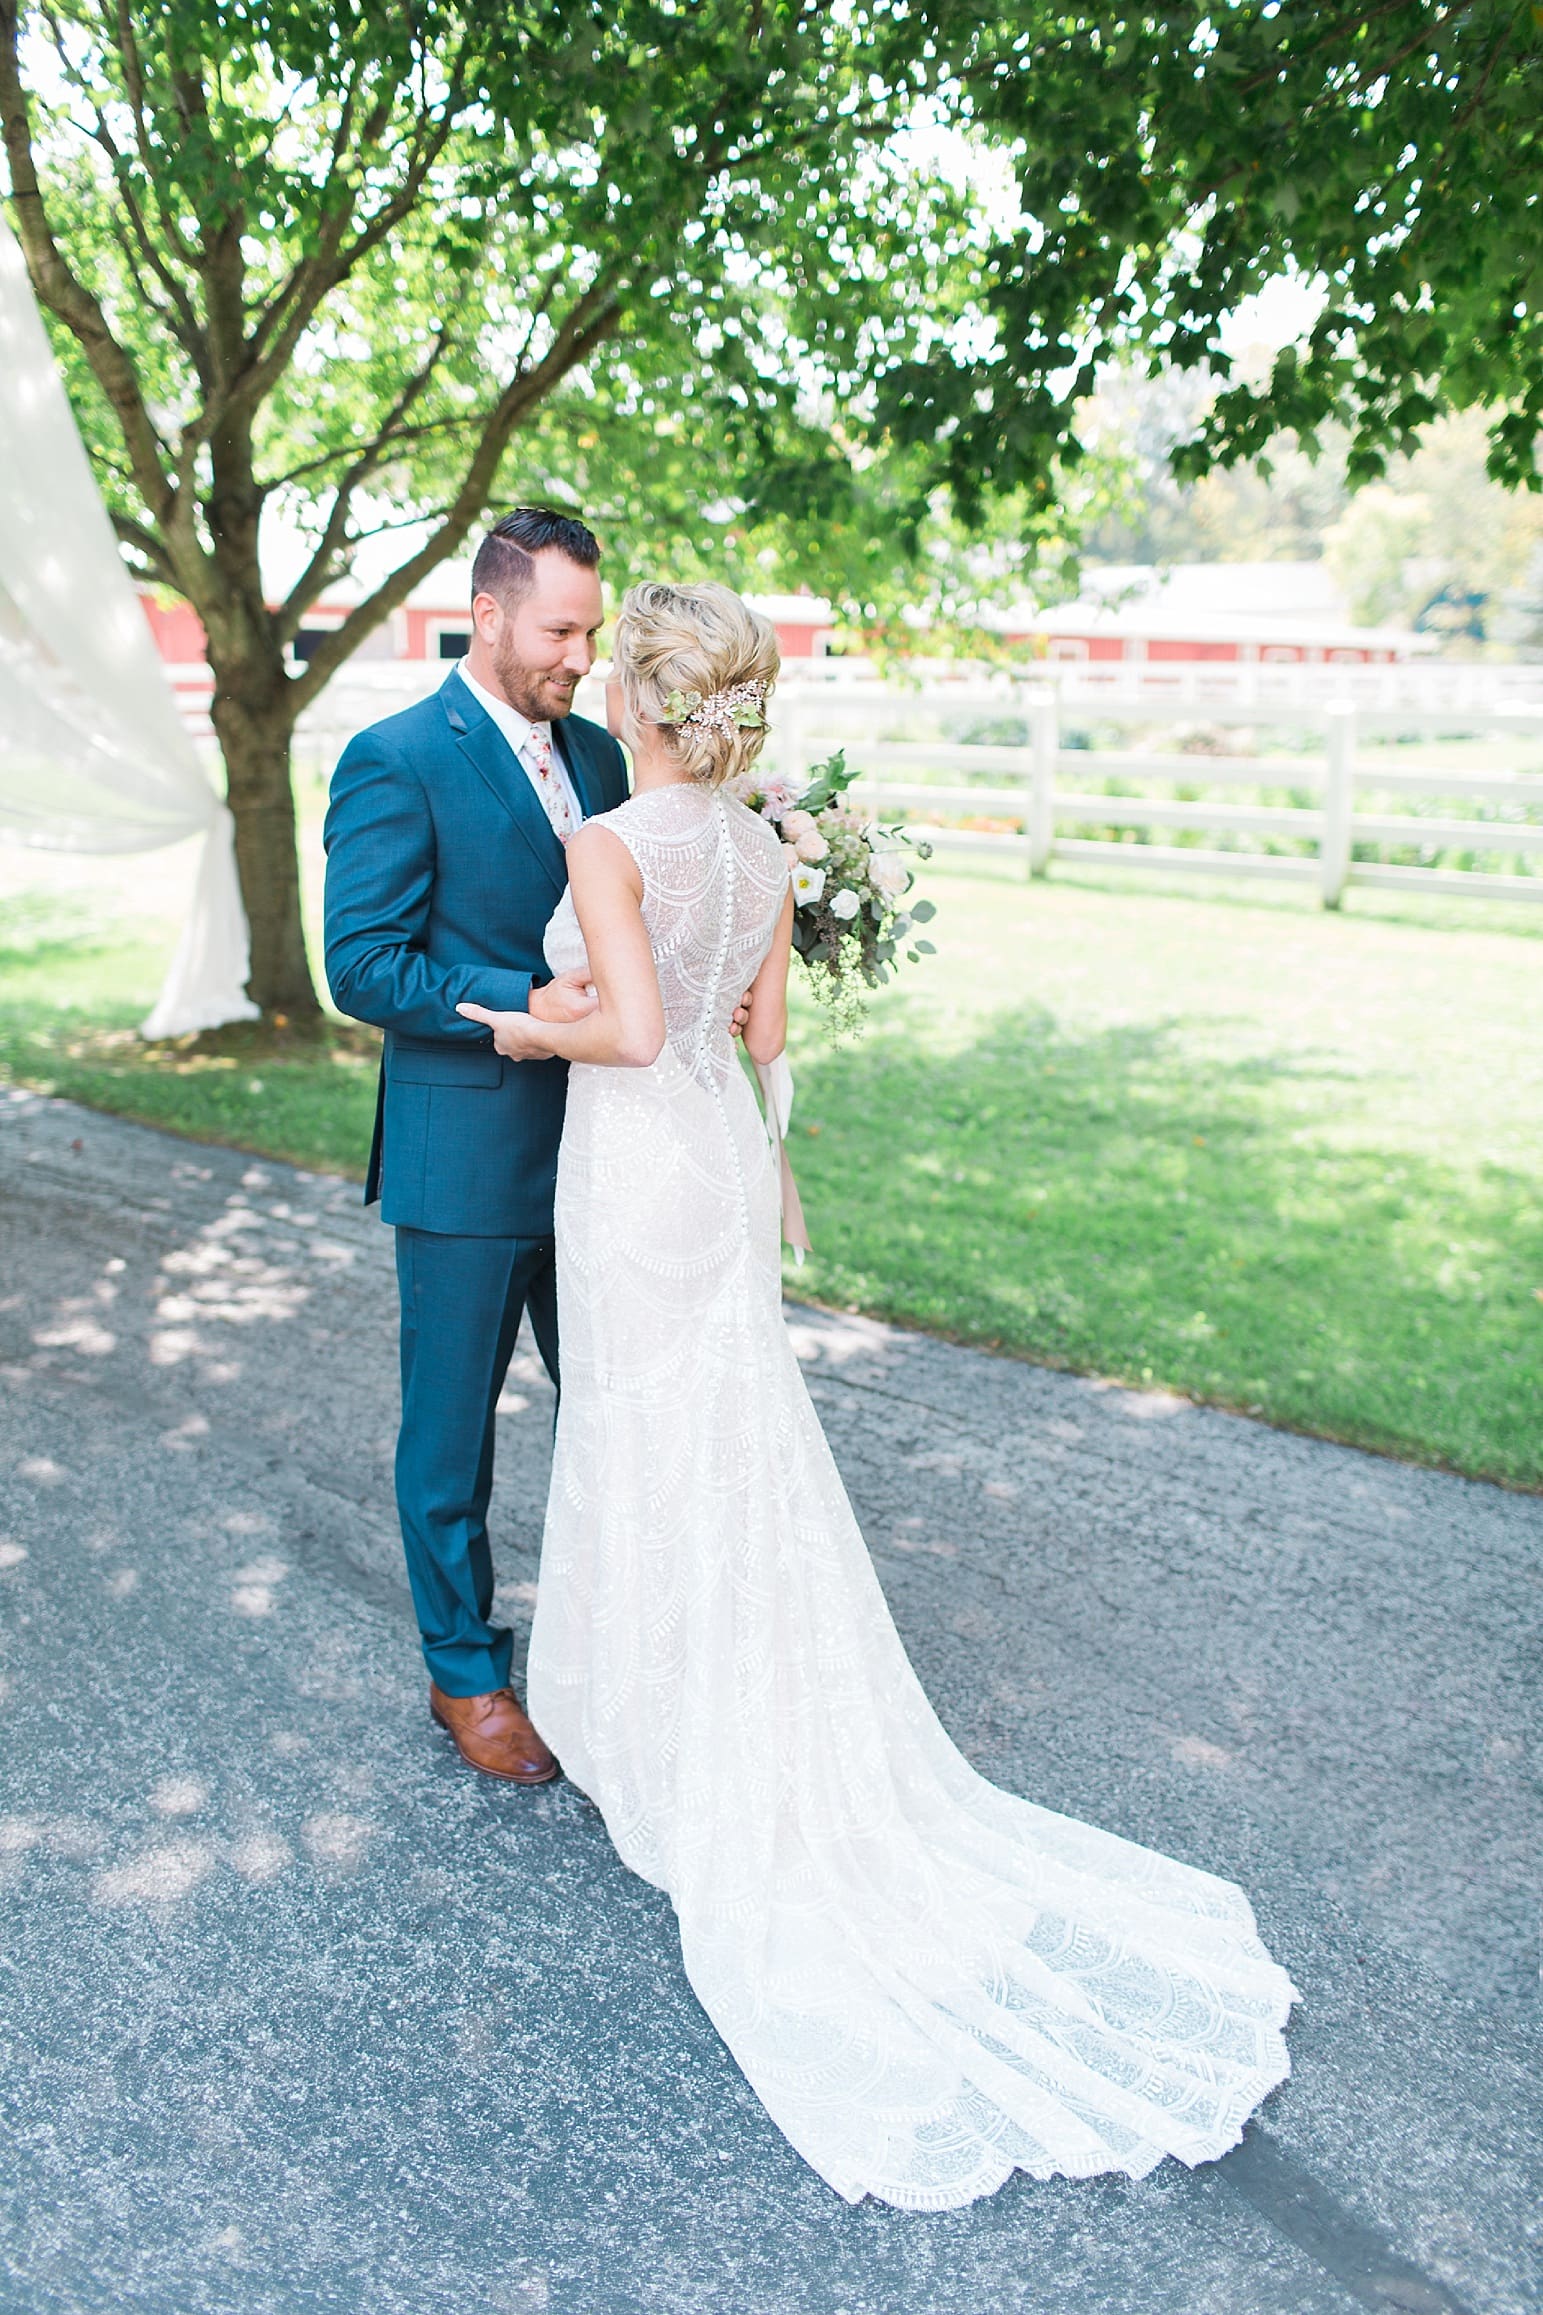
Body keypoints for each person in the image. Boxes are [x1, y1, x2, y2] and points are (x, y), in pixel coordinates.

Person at [456, 580, 1299, 2213]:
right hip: (716, 1154)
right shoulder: (758, 845)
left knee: (642, 1435)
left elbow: (633, 1026)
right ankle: (706, 1709)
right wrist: (618, 1027)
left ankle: (655, 1727)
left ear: (635, 696)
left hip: (635, 1171)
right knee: (728, 1438)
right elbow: (752, 1024)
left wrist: (525, 1029)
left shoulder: (611, 843)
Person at [322, 508, 628, 1785]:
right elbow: (362, 964)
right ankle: (465, 1672)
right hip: (465, 1160)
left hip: (612, 1149)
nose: (581, 658)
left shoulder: (605, 753)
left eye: (591, 632)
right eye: (560, 631)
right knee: (451, 1443)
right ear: (489, 614)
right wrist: (520, 1000)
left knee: (618, 1413)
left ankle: (613, 1661)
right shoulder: (395, 758)